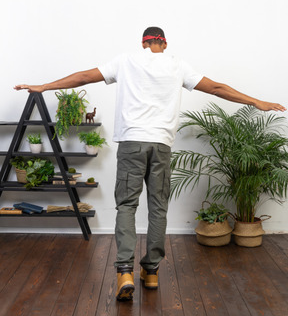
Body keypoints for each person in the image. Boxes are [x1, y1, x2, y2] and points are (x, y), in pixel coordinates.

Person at [14, 26, 286, 301]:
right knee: (158, 208)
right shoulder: (177, 66)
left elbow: (84, 77)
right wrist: (256, 101)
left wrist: (44, 86)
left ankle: (124, 272)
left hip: (132, 143)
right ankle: (152, 271)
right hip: (161, 145)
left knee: (127, 206)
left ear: (142, 43)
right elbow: (216, 88)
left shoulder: (125, 61)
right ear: (164, 43)